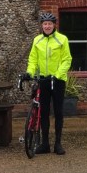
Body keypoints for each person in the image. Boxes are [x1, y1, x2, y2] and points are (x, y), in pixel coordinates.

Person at [26, 11, 72, 155]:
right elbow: (33, 59)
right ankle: (45, 144)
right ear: (42, 25)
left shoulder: (62, 39)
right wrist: (29, 73)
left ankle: (58, 143)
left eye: (49, 24)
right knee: (44, 112)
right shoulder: (37, 40)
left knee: (58, 112)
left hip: (57, 81)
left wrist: (57, 75)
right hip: (43, 80)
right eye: (45, 24)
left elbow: (67, 60)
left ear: (54, 25)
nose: (47, 26)